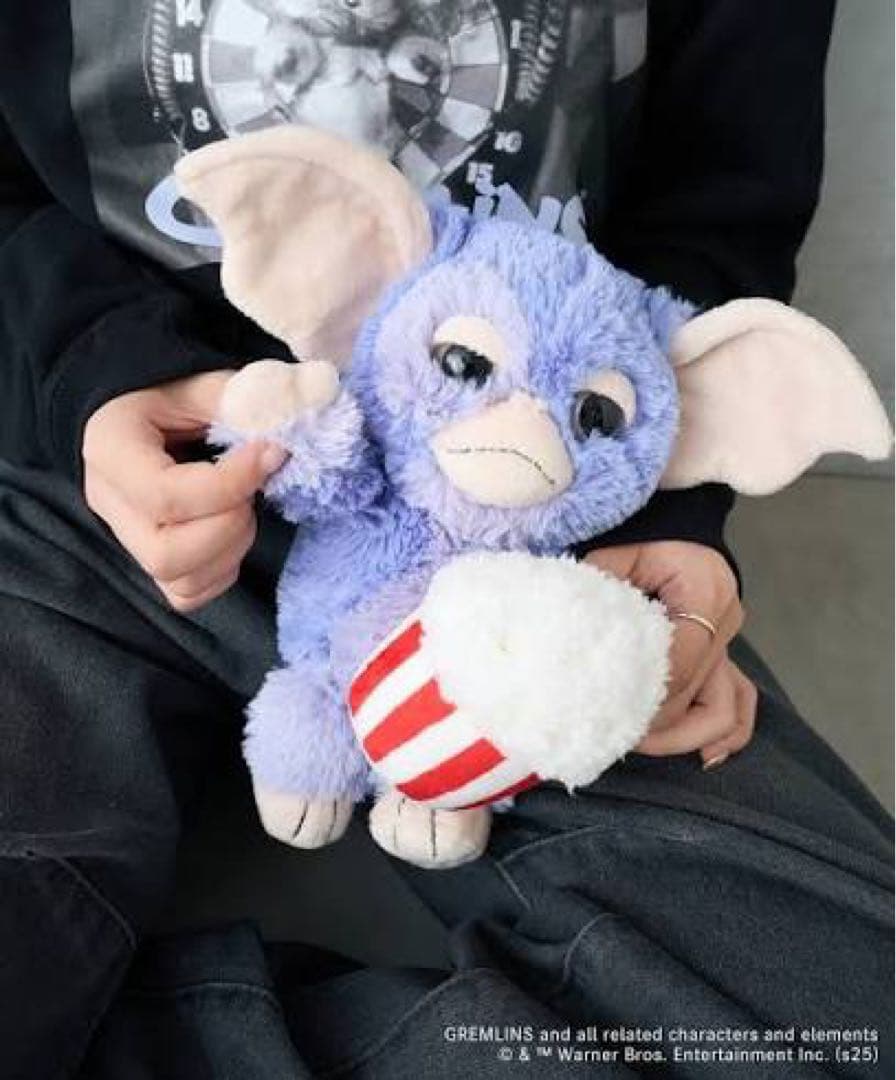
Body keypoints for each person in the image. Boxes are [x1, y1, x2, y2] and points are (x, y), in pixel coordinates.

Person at [0, 2, 890, 1076]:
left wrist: (666, 512)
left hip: (533, 557)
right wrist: (95, 368)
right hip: (86, 501)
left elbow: (720, 195)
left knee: (854, 1016)